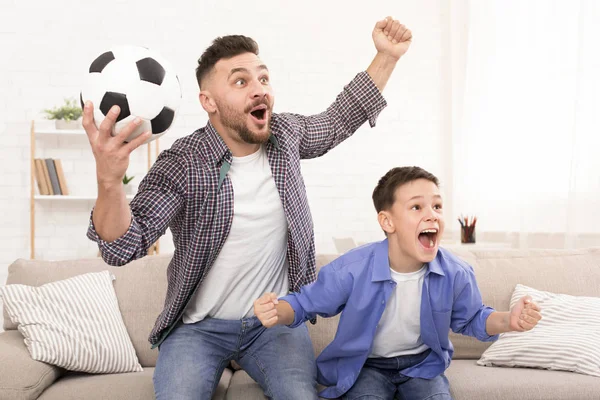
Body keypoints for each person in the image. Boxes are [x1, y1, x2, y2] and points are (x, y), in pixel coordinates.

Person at [82, 16, 413, 400]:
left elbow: (339, 118)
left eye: (263, 79)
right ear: (209, 102)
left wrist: (386, 56)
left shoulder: (285, 137)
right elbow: (124, 245)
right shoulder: (183, 163)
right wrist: (109, 181)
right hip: (197, 329)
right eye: (241, 81)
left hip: (273, 324)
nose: (259, 90)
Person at [254, 166, 543, 400]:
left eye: (437, 206)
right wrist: (278, 310)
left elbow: (473, 318)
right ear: (387, 222)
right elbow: (306, 303)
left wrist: (509, 321)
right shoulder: (353, 268)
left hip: (422, 365)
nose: (432, 214)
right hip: (366, 367)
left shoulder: (456, 272)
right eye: (417, 207)